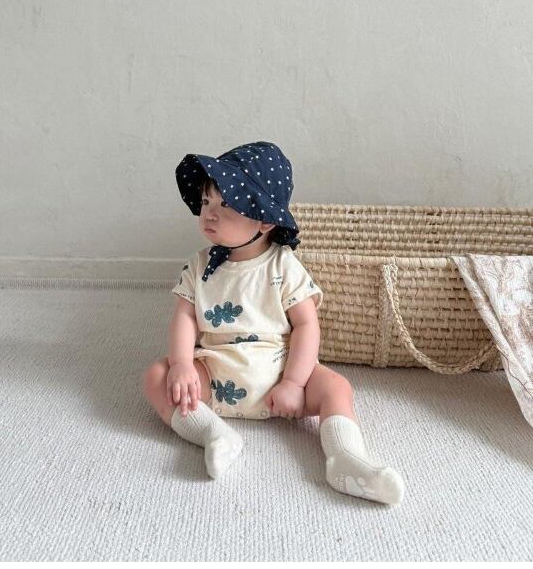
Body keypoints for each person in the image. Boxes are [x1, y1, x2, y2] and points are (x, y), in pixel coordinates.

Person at [142, 141, 405, 505]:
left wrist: (295, 383)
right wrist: (183, 364)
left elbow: (307, 326)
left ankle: (345, 458)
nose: (209, 215)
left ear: (265, 220)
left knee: (336, 387)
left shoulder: (283, 266)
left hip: (280, 373)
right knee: (157, 376)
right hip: (216, 373)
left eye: (226, 205)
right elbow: (184, 315)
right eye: (206, 202)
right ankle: (213, 434)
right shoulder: (199, 265)